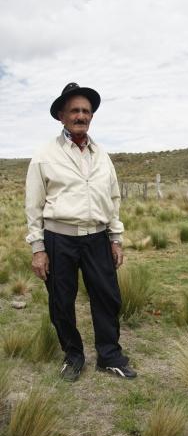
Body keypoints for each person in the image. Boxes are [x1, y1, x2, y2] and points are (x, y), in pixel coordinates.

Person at [25, 82, 137, 381]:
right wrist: (38, 248)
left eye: (86, 110)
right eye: (74, 110)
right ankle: (73, 356)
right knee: (61, 301)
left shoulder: (102, 155)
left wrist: (115, 238)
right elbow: (33, 206)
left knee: (108, 297)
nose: (81, 115)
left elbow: (113, 199)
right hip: (59, 238)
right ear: (61, 115)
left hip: (98, 238)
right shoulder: (44, 155)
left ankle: (109, 356)